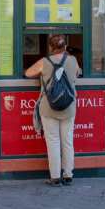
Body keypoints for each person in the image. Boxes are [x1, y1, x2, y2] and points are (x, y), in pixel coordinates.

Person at [25, 34, 80, 186]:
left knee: (53, 142)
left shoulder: (44, 61)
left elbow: (28, 72)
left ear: (50, 47)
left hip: (48, 108)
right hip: (68, 107)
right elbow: (77, 73)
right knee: (68, 141)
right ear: (65, 47)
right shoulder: (73, 60)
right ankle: (68, 175)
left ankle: (55, 177)